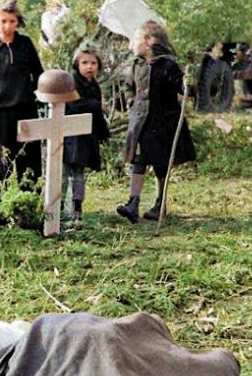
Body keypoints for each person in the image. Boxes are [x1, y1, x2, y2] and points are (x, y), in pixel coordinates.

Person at [117, 21, 195, 223]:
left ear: (149, 41)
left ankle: (160, 204)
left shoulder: (168, 65)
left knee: (161, 163)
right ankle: (133, 203)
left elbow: (185, 90)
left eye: (136, 39)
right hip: (140, 123)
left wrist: (187, 84)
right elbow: (128, 86)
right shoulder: (137, 64)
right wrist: (131, 103)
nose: (132, 44)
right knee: (138, 161)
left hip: (162, 124)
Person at [0, 0, 44, 186]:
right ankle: (8, 198)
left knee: (30, 159)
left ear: (18, 22)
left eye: (12, 21)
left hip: (26, 109)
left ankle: (31, 196)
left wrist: (42, 98)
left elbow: (38, 74)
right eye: (3, 21)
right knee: (5, 161)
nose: (7, 26)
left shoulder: (25, 44)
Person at [63, 46, 110, 226]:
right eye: (84, 63)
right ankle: (59, 209)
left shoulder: (94, 85)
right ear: (77, 64)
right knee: (65, 172)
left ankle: (77, 208)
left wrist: (103, 133)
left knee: (79, 172)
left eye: (93, 63)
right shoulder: (71, 81)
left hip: (86, 135)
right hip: (71, 134)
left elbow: (96, 115)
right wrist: (97, 105)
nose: (89, 66)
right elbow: (75, 105)